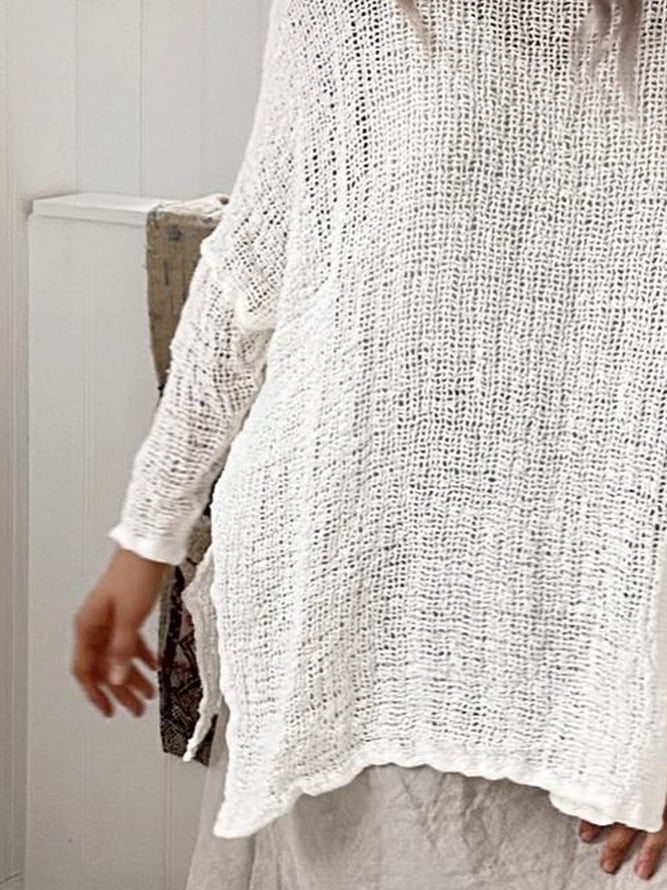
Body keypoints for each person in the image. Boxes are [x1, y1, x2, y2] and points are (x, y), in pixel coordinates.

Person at [71, 0, 667, 884]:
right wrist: (145, 537)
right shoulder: (350, 13)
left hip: (611, 622)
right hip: (353, 586)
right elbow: (250, 271)